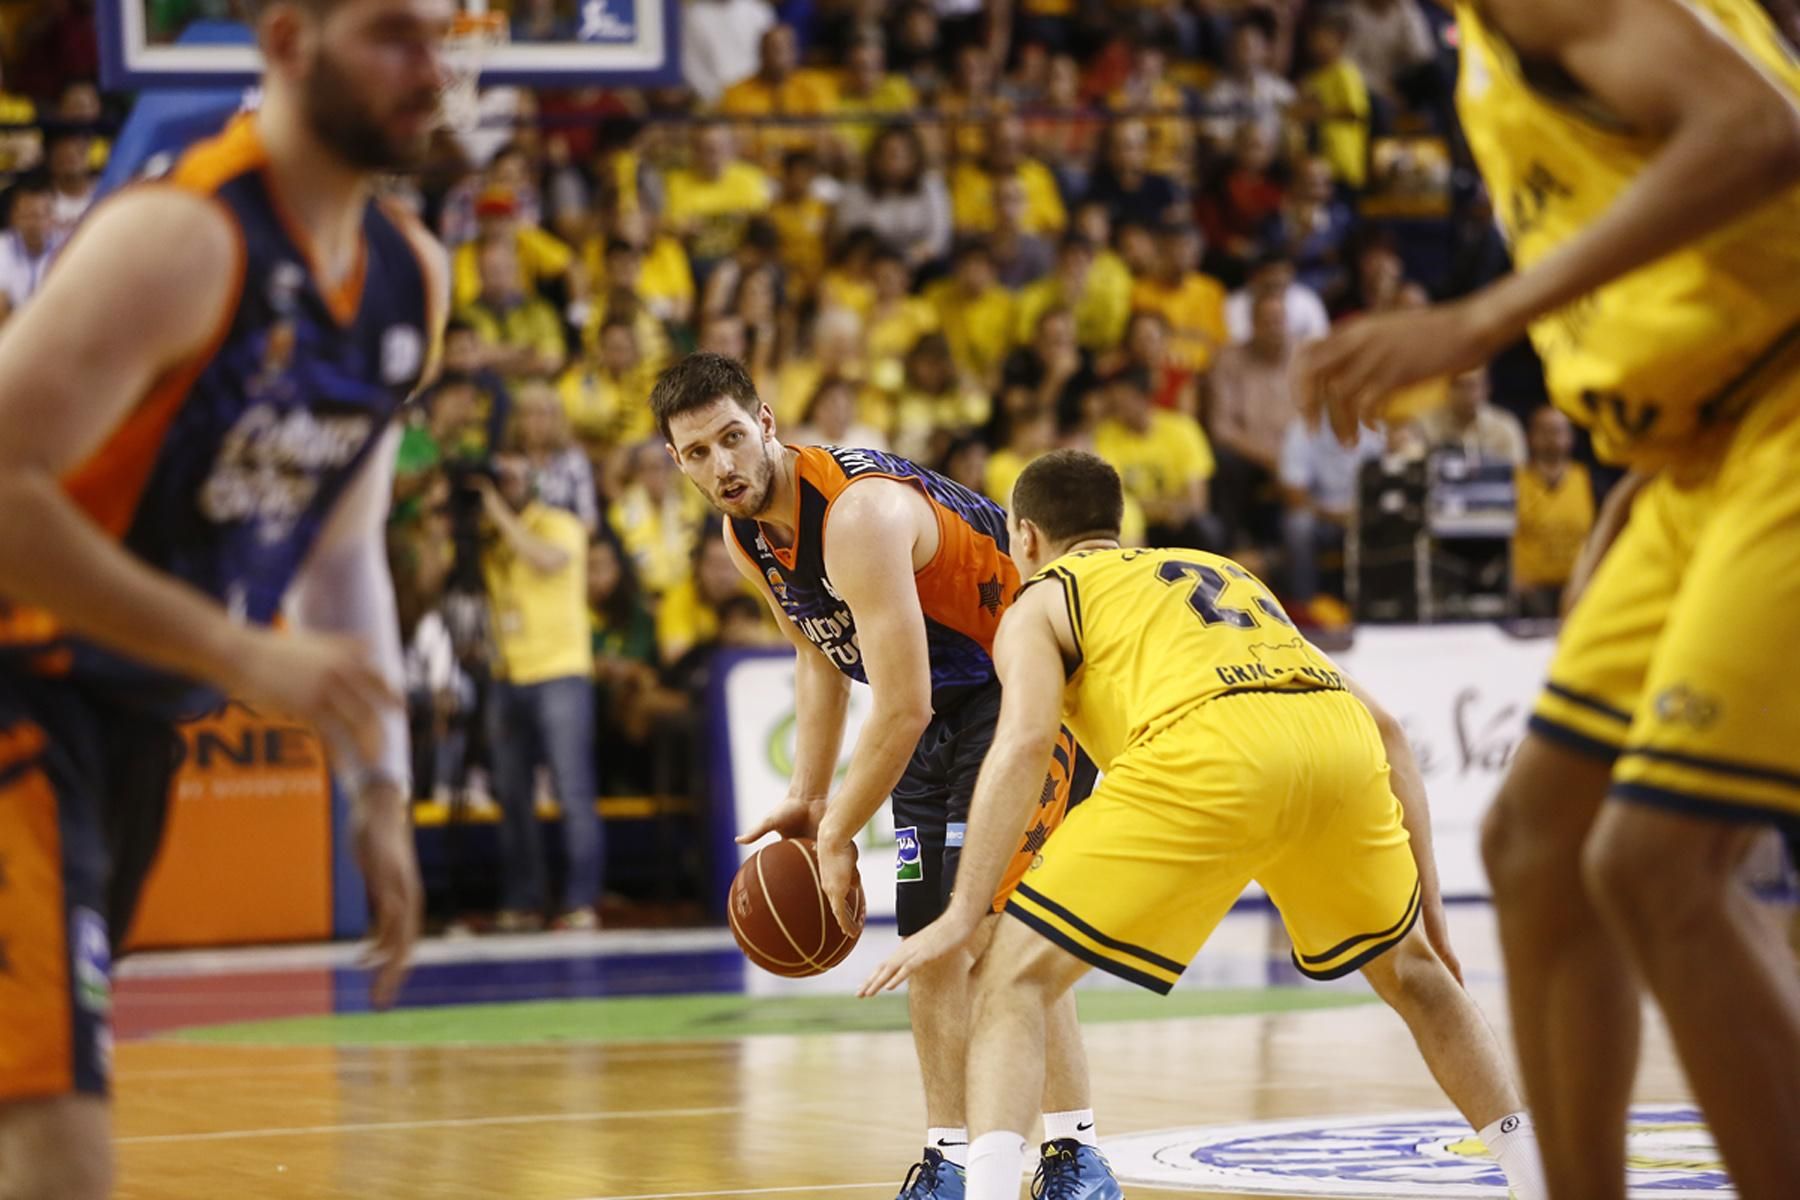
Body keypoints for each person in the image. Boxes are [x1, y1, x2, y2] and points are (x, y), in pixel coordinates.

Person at [1295, 0, 1800, 1193]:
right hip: (1697, 451)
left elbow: (1760, 130)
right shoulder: (1483, 39)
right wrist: (1652, 462)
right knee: (1536, 848)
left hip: (1780, 413)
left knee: (1657, 861)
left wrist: (1475, 321)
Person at [0, 0, 449, 1192]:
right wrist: (242, 653)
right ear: (289, 41)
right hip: (20, 694)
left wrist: (379, 787)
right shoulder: (180, 240)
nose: (430, 69)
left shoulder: (410, 277)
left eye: (440, 36)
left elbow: (343, 553)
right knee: (57, 1135)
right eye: (393, 36)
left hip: (127, 720)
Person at [861, 450, 1547, 1200]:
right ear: (1117, 525)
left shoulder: (1042, 599)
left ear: (1024, 536)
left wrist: (964, 910)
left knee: (1011, 978)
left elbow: (1025, 742)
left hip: (1204, 747)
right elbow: (1387, 731)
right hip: (1334, 740)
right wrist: (1430, 920)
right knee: (1417, 978)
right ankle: (1540, 1179)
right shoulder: (1222, 570)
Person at [650, 353, 1120, 1200]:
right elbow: (817, 654)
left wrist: (837, 833)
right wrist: (808, 797)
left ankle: (1076, 1156)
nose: (722, 465)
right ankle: (946, 1161)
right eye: (697, 453)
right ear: (676, 462)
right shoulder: (744, 531)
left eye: (732, 437)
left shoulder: (857, 516)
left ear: (766, 421)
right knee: (928, 939)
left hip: (1023, 685)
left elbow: (901, 708)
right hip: (943, 711)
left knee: (1002, 929)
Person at [477, 454, 601, 932]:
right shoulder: (487, 537)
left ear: (532, 480)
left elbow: (545, 560)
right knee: (512, 796)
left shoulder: (559, 523)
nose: (503, 485)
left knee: (573, 790)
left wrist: (494, 510)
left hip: (560, 672)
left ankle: (581, 901)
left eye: (511, 477)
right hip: (506, 673)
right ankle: (524, 899)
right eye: (498, 477)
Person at [1511, 406, 1593, 618]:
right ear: (1530, 437)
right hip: (1529, 590)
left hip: (1578, 585)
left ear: (1570, 437)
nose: (1551, 438)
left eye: (1558, 431)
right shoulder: (1514, 481)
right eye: (1544, 431)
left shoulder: (1588, 481)